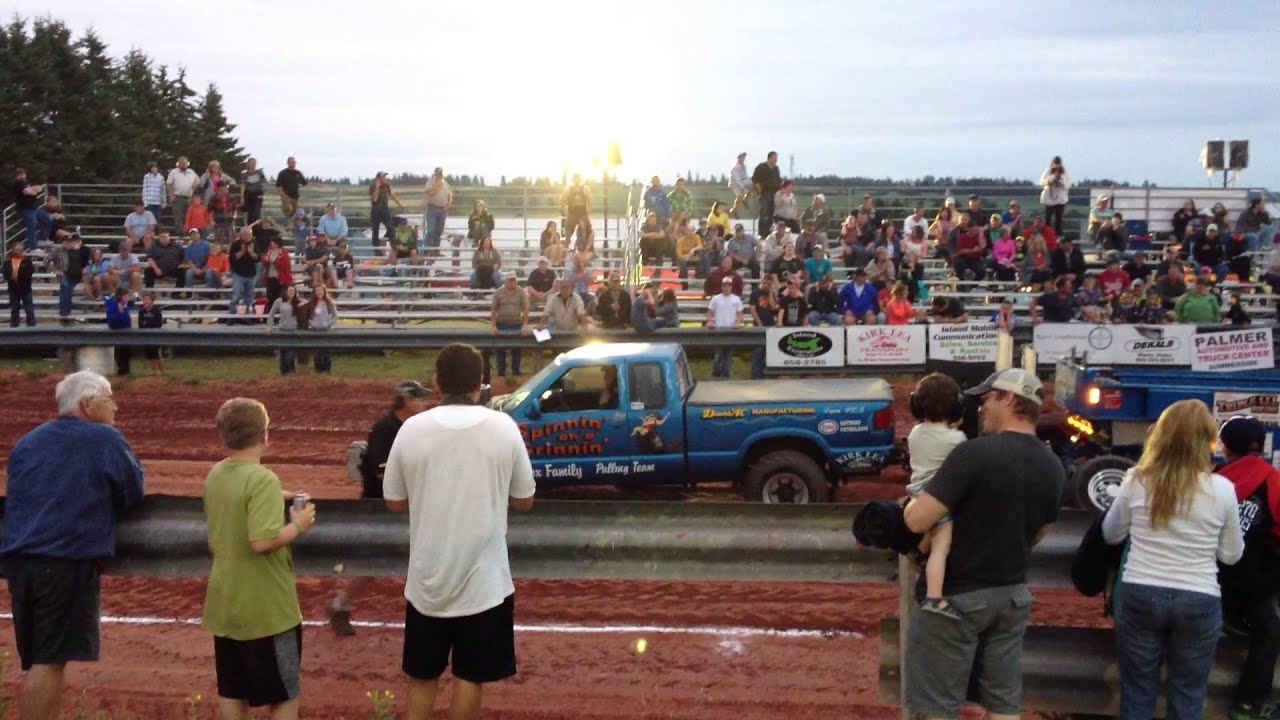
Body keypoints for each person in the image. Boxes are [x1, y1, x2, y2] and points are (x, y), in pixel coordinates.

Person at [381, 344, 535, 720]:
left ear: (436, 383)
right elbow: (524, 500)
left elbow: (394, 502)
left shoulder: (411, 430)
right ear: (481, 383)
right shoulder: (504, 428)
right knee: (470, 677)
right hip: (484, 585)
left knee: (422, 676)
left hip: (427, 582)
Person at [902, 368, 1065, 720]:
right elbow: (1042, 531)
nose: (980, 408)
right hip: (1011, 595)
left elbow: (918, 520)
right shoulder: (1053, 465)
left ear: (1009, 399)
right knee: (1003, 704)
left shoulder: (973, 455)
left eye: (986, 399)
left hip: (955, 598)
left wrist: (908, 506)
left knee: (936, 707)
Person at [1, 370, 144, 720]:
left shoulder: (28, 441)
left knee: (41, 659)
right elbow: (132, 493)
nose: (115, 407)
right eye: (109, 399)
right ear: (87, 404)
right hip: (64, 560)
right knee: (48, 662)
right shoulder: (103, 439)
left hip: (21, 562)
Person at [1102, 399, 1244, 720]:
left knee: (1137, 693)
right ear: (1208, 441)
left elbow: (1110, 534)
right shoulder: (1223, 489)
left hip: (1140, 591)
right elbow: (1231, 556)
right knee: (1188, 695)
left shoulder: (1136, 479)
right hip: (1199, 596)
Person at [202, 398, 315, 720]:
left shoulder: (217, 473)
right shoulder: (263, 479)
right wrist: (298, 525)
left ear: (223, 436)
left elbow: (239, 493)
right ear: (264, 435)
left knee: (232, 690)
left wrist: (275, 497)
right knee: (284, 694)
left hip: (225, 602)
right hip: (266, 609)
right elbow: (263, 541)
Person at [1214, 416, 1280, 720]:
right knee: (1269, 631)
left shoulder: (1213, 479)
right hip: (1256, 585)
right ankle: (1247, 705)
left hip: (1212, 582)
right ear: (1262, 447)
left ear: (1226, 449)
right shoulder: (1272, 479)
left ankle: (1231, 618)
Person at [905, 374, 967, 618]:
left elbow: (933, 440)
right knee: (942, 546)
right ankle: (934, 597)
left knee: (932, 537)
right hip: (938, 501)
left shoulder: (915, 434)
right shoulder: (957, 439)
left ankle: (919, 550)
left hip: (916, 497)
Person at [490, 275, 531, 380]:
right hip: (501, 323)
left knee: (517, 348)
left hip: (516, 323)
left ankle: (516, 371)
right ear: (506, 281)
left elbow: (526, 309)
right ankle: (501, 373)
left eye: (514, 280)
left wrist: (525, 325)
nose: (512, 282)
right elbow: (494, 310)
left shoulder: (521, 292)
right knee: (500, 348)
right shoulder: (498, 292)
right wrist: (493, 325)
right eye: (510, 280)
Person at [706, 277, 743, 378]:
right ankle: (716, 374)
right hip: (719, 330)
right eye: (724, 285)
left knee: (728, 355)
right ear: (722, 286)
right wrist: (710, 321)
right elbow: (710, 312)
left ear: (731, 287)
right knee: (718, 355)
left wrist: (738, 323)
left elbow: (740, 313)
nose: (726, 288)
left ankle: (726, 375)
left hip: (731, 331)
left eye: (728, 285)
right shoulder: (716, 298)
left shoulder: (736, 299)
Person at [50, 233, 90, 319]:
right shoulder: (57, 250)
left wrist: (78, 249)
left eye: (70, 242)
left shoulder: (77, 250)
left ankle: (66, 310)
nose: (68, 243)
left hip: (75, 274)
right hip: (63, 273)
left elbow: (84, 258)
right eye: (66, 242)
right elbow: (47, 260)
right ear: (62, 242)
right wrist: (54, 269)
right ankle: (63, 311)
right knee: (65, 288)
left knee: (68, 291)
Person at [268, 285, 304, 374]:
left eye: (293, 291)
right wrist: (270, 326)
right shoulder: (279, 301)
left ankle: (291, 370)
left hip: (293, 330)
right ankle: (284, 373)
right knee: (283, 353)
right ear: (286, 291)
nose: (291, 293)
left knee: (290, 354)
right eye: (290, 291)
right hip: (282, 330)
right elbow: (271, 314)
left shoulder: (299, 302)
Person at [5, 240, 35, 327]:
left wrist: (17, 275)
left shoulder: (27, 261)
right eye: (16, 249)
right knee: (14, 310)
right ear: (12, 250)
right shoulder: (7, 262)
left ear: (22, 250)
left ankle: (32, 326)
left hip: (26, 289)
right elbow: (6, 273)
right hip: (13, 289)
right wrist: (12, 276)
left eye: (20, 249)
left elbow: (29, 273)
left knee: (29, 309)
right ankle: (14, 327)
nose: (18, 251)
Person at [228, 230, 258, 317]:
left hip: (251, 274)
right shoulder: (235, 244)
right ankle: (232, 316)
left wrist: (251, 253)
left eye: (250, 234)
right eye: (246, 234)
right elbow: (232, 259)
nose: (248, 236)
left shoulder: (254, 243)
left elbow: (258, 258)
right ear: (241, 235)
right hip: (238, 274)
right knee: (236, 296)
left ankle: (247, 318)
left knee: (249, 298)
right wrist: (242, 251)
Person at [306, 286, 336, 373]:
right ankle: (318, 371)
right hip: (315, 331)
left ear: (324, 291)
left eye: (320, 290)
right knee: (317, 353)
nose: (319, 292)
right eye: (317, 291)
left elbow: (335, 316)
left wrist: (328, 324)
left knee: (326, 352)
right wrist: (312, 324)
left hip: (326, 331)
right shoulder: (311, 303)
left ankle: (327, 371)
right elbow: (307, 316)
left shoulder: (329, 303)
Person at [166, 157, 199, 235]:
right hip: (178, 197)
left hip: (189, 198)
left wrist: (196, 184)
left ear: (187, 163)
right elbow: (168, 184)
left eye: (185, 163)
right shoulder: (174, 172)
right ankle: (180, 236)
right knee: (178, 217)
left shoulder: (192, 172)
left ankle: (190, 234)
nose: (183, 164)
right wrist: (171, 195)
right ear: (178, 163)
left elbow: (198, 181)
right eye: (181, 163)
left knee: (189, 217)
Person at [12, 168, 43, 251]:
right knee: (31, 226)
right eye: (20, 174)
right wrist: (34, 190)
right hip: (26, 208)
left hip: (35, 208)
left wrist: (33, 190)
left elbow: (39, 188)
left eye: (23, 173)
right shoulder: (18, 184)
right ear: (17, 176)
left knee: (47, 219)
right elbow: (29, 192)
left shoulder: (28, 182)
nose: (22, 175)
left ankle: (43, 239)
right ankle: (33, 247)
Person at [423, 167, 452, 255]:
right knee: (431, 229)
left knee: (439, 231)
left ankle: (436, 250)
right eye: (438, 173)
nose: (440, 175)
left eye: (441, 173)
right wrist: (437, 185)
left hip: (442, 209)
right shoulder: (430, 182)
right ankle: (429, 249)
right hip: (432, 208)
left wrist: (447, 205)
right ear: (435, 174)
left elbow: (449, 196)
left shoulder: (446, 184)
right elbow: (430, 193)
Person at [1039, 156, 1070, 236]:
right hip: (1049, 199)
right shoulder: (1048, 171)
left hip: (1060, 199)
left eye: (1058, 163)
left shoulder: (1064, 172)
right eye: (1055, 163)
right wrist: (1049, 182)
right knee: (1047, 219)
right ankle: (1047, 235)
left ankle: (1058, 237)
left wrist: (1061, 183)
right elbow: (1041, 182)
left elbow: (1068, 184)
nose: (1056, 166)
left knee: (1058, 220)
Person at [752, 151, 782, 233]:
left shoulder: (776, 169)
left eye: (776, 159)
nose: (776, 160)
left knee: (771, 214)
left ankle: (768, 232)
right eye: (774, 158)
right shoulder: (761, 167)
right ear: (769, 158)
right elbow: (755, 180)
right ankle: (761, 232)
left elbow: (779, 180)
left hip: (774, 194)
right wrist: (759, 191)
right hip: (764, 193)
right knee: (763, 213)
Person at [137, 293, 165, 374]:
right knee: (150, 355)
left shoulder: (156, 310)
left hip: (155, 335)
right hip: (146, 335)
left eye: (147, 299)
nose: (145, 301)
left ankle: (162, 372)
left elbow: (159, 323)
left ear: (152, 301)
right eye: (144, 300)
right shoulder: (141, 311)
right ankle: (154, 372)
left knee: (157, 355)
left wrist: (149, 323)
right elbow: (140, 324)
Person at [275, 157, 308, 221]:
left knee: (294, 215)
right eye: (292, 162)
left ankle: (292, 228)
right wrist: (284, 196)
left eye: (294, 162)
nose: (293, 164)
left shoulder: (298, 173)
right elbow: (278, 185)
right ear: (288, 163)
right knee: (288, 212)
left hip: (295, 197)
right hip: (286, 196)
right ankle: (288, 227)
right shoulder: (283, 173)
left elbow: (304, 182)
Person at [728, 152, 750, 217]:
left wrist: (748, 183)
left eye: (744, 157)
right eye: (742, 157)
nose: (743, 159)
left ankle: (745, 200)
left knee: (751, 187)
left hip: (742, 182)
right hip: (734, 183)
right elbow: (737, 179)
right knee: (740, 196)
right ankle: (733, 210)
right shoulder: (735, 167)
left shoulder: (744, 166)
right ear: (738, 158)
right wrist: (743, 188)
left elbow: (745, 176)